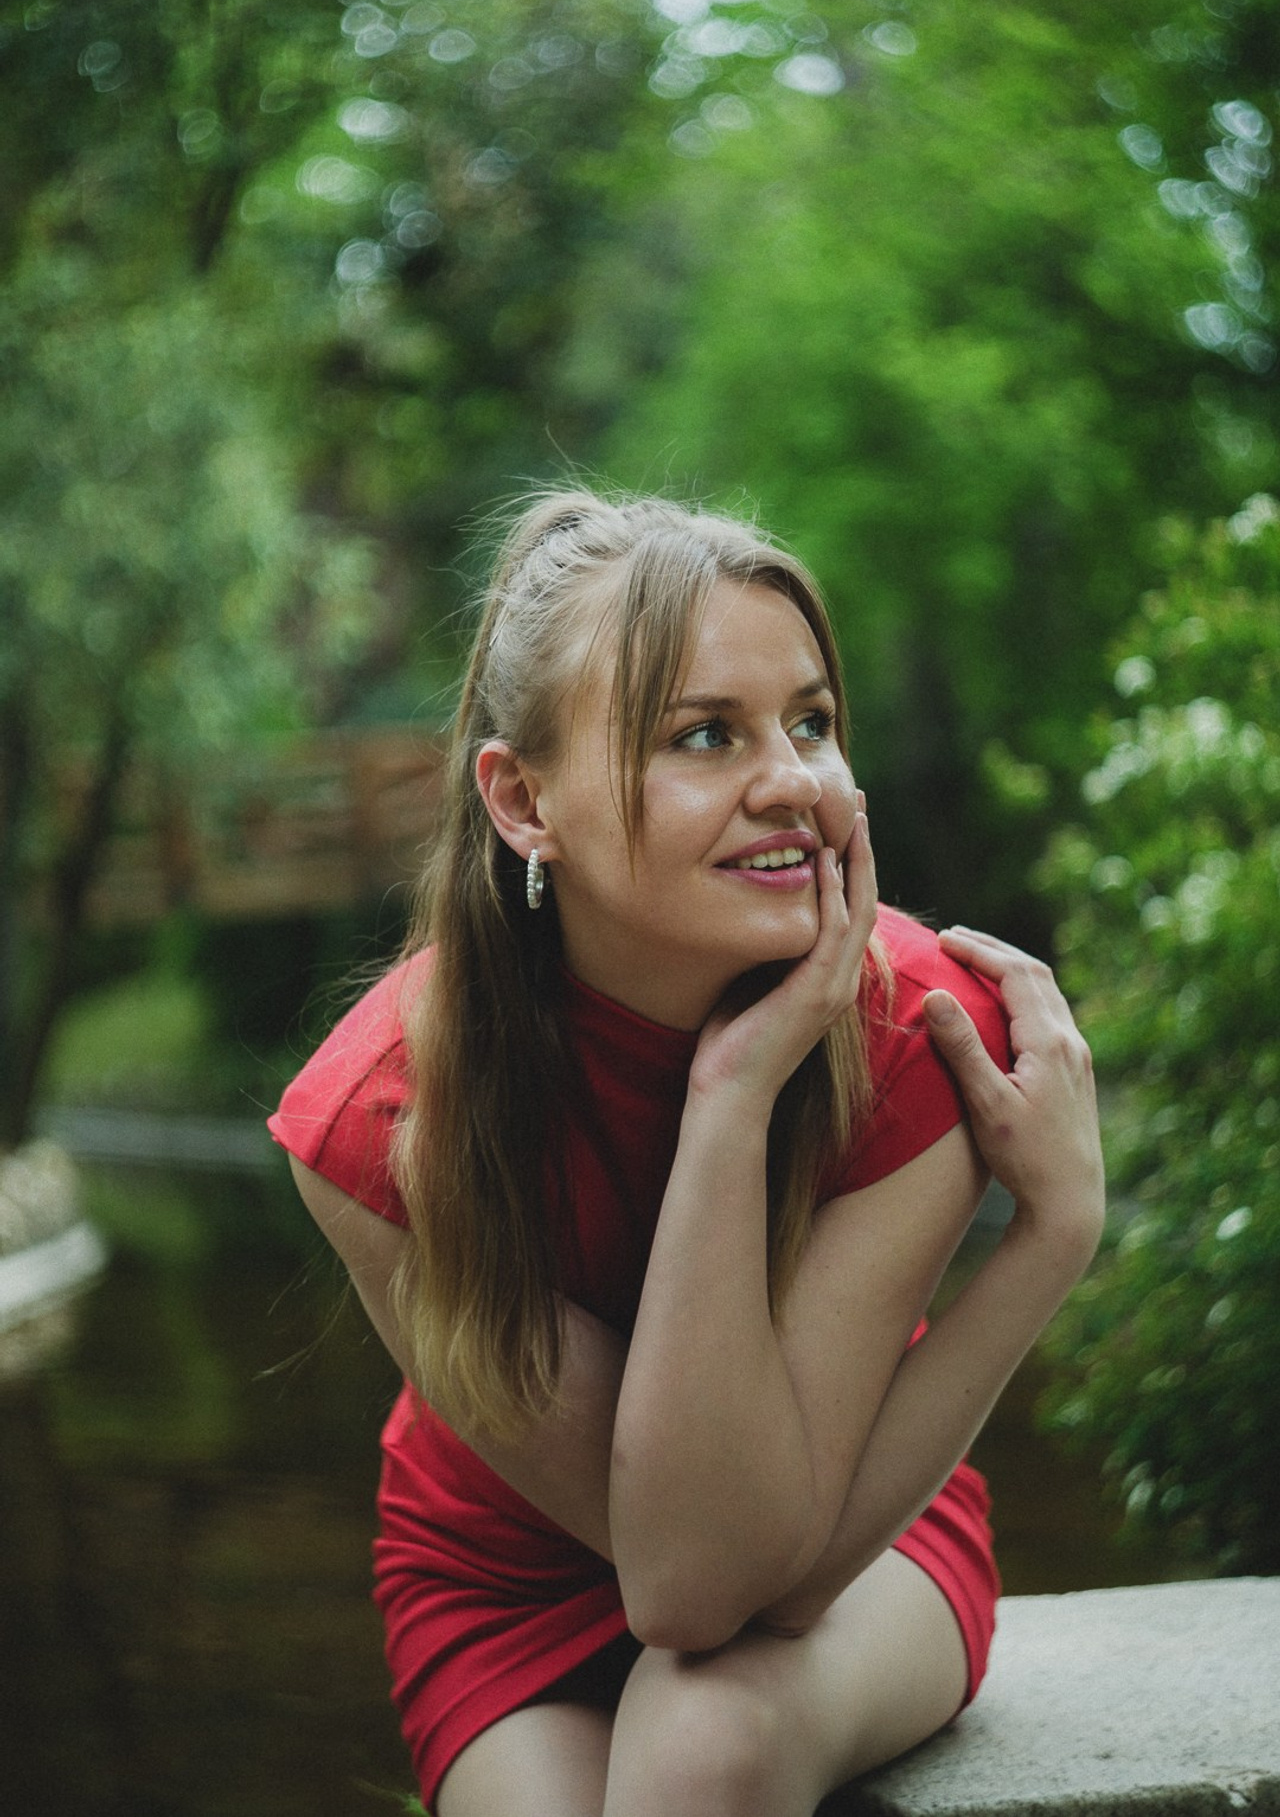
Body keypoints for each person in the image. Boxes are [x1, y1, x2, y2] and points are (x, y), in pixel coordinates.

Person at [268, 489, 1104, 1817]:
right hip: (502, 1578)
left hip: (862, 1516)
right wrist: (729, 1102)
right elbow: (686, 1569)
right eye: (707, 735)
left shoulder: (921, 1027)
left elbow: (758, 1580)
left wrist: (1050, 1244)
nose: (795, 781)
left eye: (813, 723)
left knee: (704, 1743)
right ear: (523, 799)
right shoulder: (376, 1120)